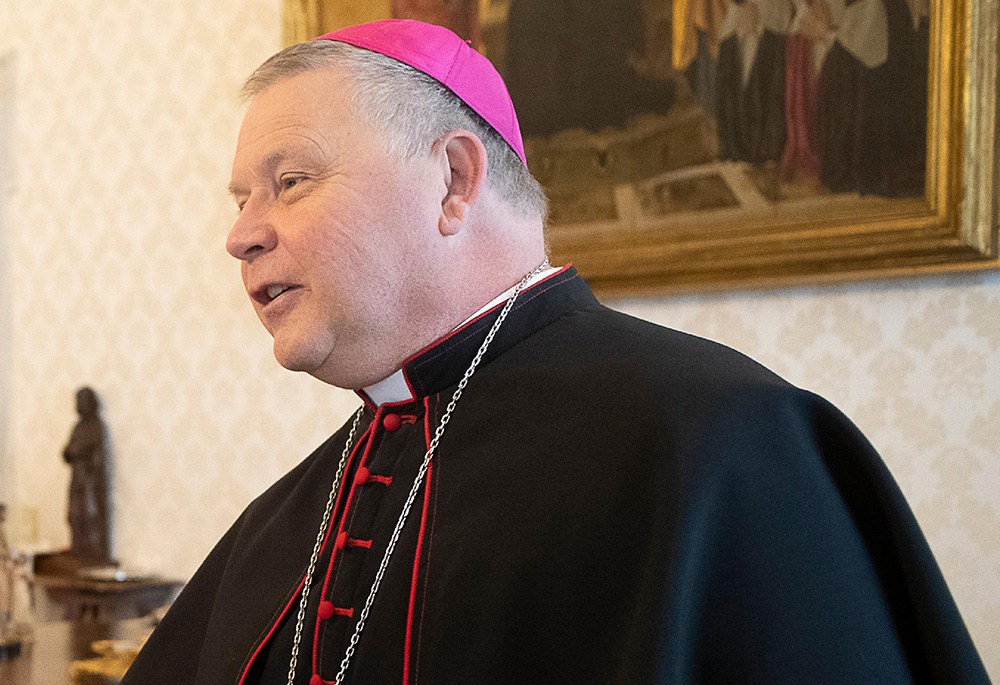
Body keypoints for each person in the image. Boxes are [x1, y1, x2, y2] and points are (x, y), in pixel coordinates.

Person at [123, 19, 989, 685]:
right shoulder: (306, 498)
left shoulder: (724, 442)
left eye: (290, 181)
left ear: (454, 181)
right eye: (241, 198)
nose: (240, 235)